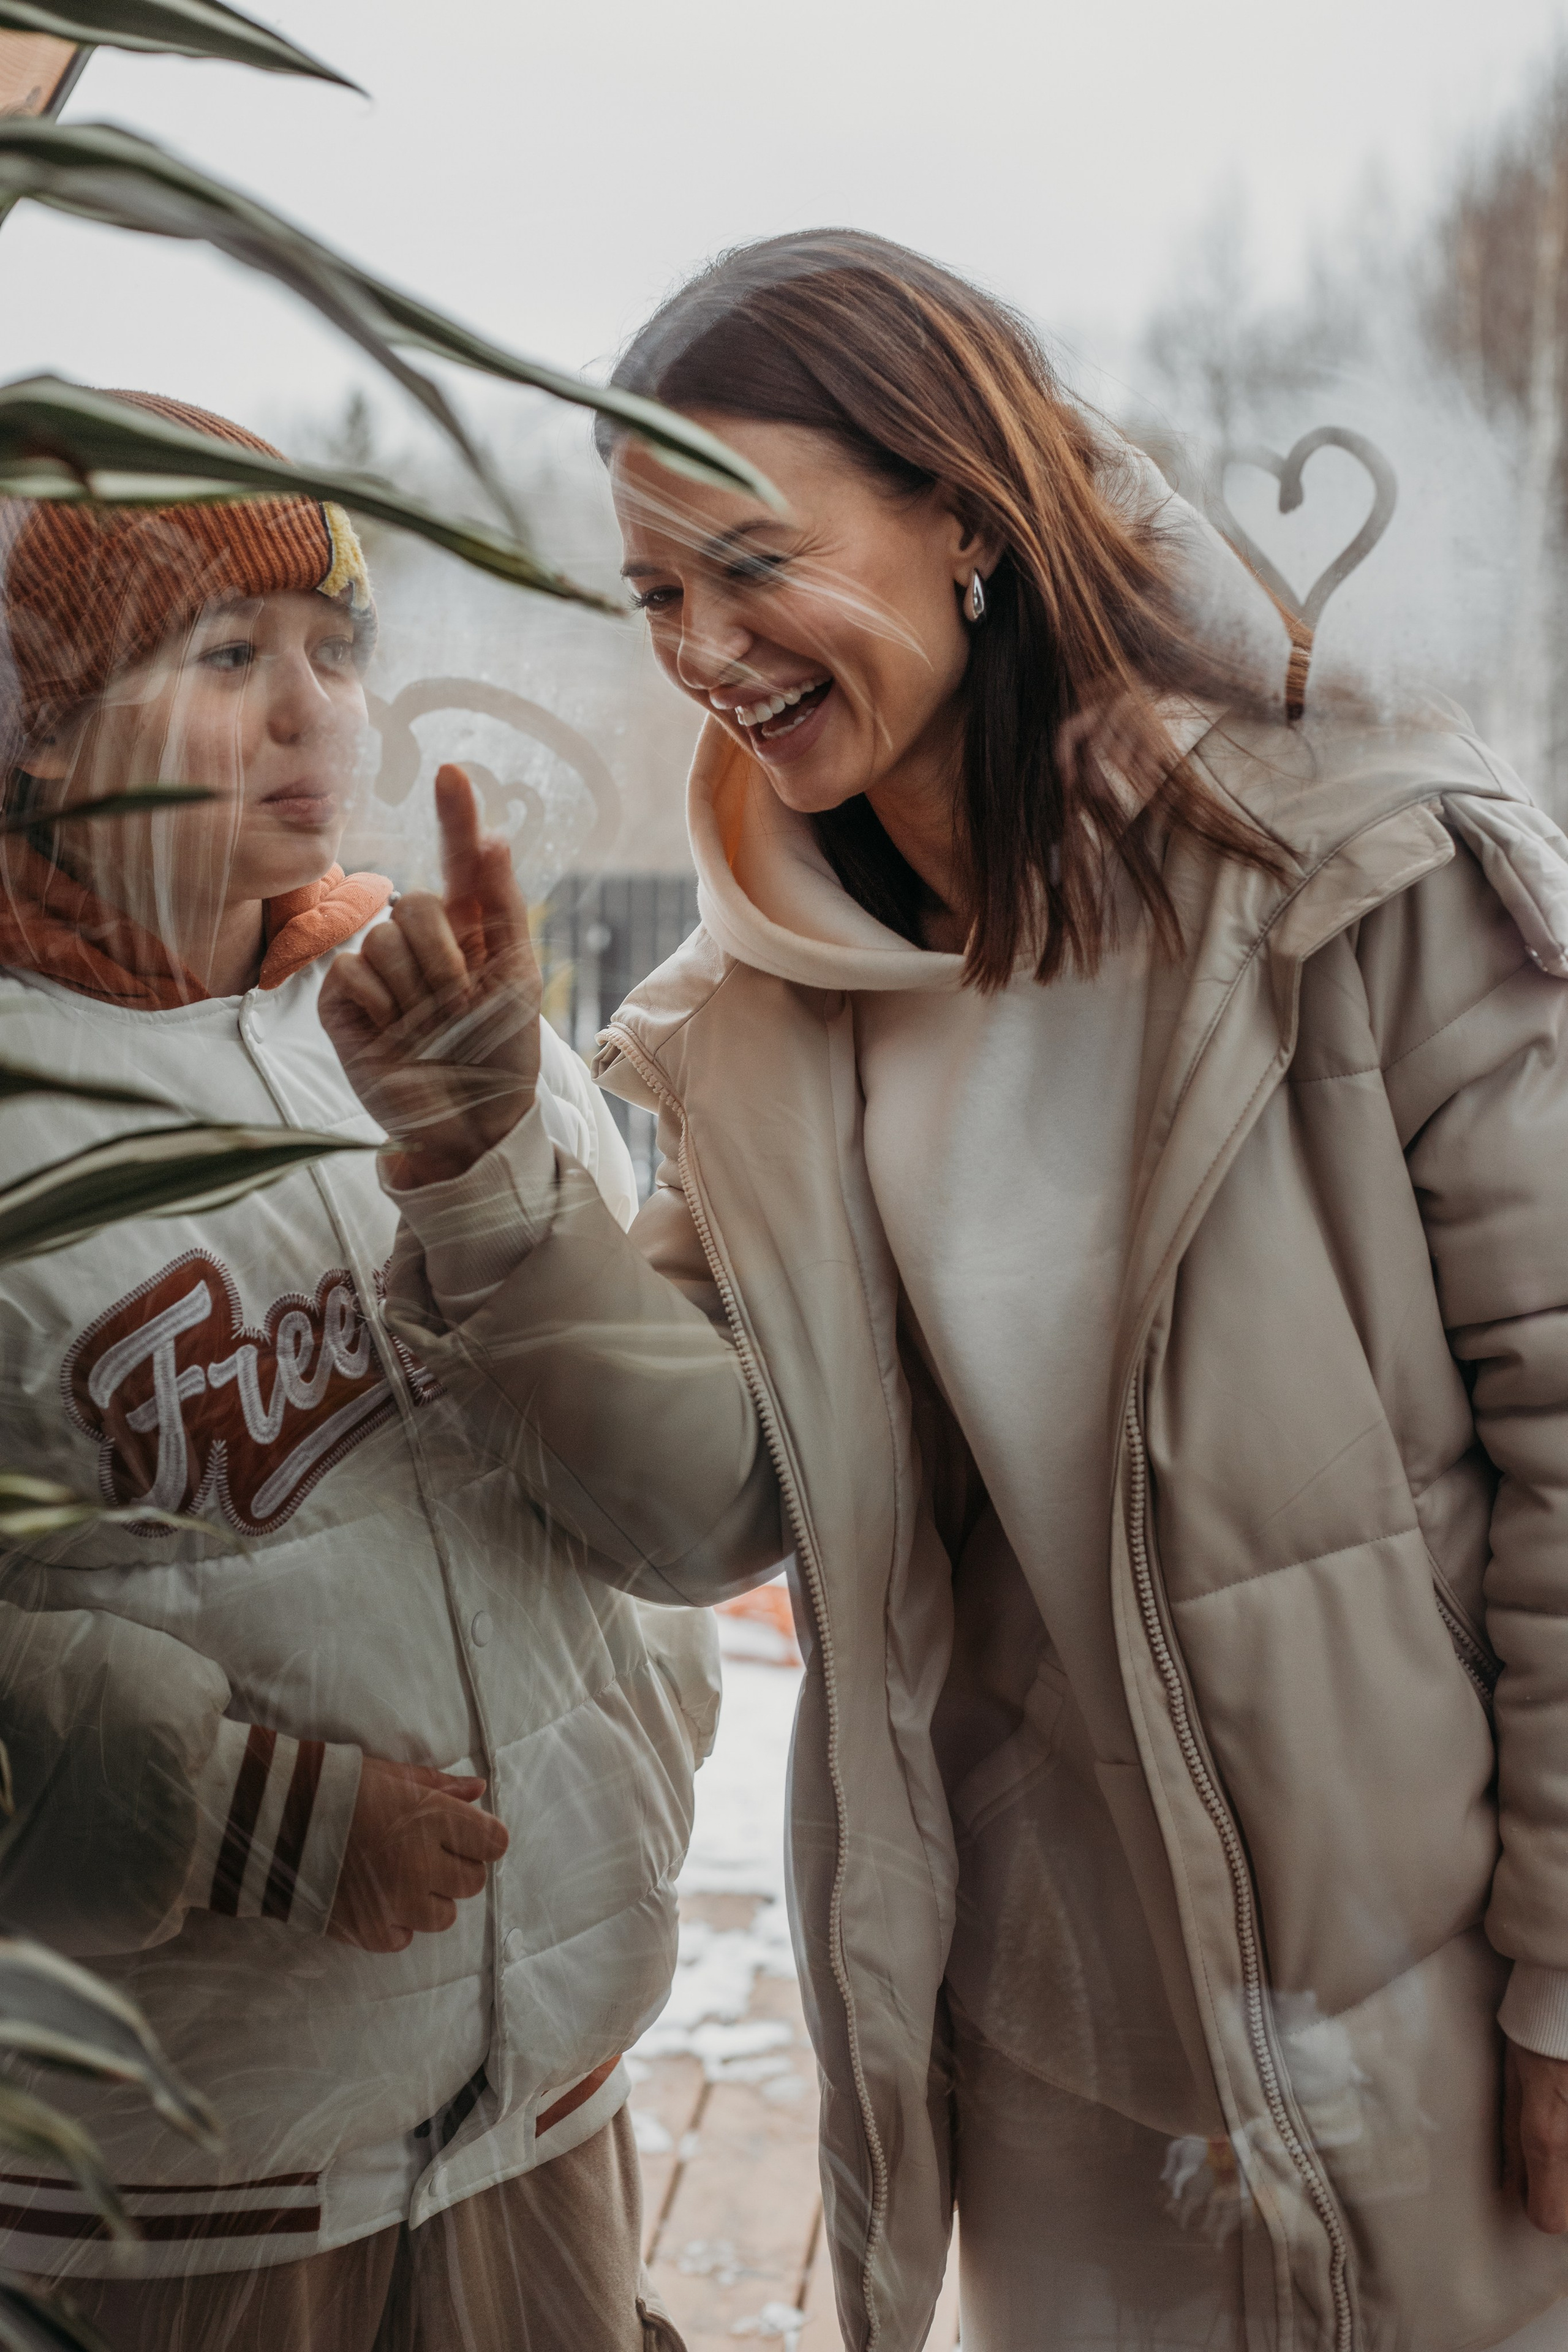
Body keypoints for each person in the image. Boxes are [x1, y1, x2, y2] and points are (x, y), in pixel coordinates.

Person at [322, 229, 1568, 2352]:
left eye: (752, 563)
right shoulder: (761, 1018)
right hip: (1060, 2048)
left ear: (969, 515)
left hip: (1421, 2016)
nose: (703, 647)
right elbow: (714, 1507)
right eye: (654, 593)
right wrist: (478, 1165)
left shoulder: (1358, 873)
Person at [0, 392, 715, 2352]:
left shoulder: (436, 996)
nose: (313, 711)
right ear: (43, 725)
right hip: (181, 2191)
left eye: (338, 649)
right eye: (228, 655)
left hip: (549, 2086)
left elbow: (654, 1470)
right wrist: (243, 1812)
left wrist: (494, 1151)